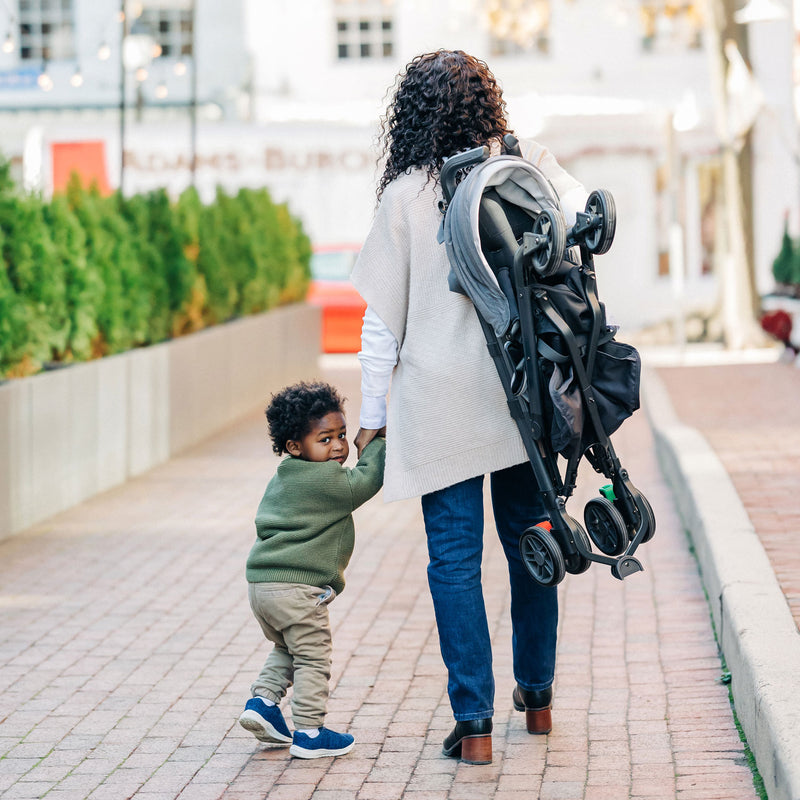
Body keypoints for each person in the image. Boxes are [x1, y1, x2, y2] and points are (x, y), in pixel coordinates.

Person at [351, 50, 588, 765]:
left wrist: (372, 415)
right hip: (521, 397)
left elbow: (379, 328)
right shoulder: (526, 164)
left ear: (412, 115)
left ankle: (475, 723)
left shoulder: (404, 197)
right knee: (533, 541)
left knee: (453, 562)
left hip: (440, 404)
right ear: (489, 104)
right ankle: (538, 696)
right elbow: (584, 218)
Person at [239, 381, 386, 759]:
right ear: (294, 446)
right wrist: (378, 442)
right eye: (325, 439)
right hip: (296, 589)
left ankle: (263, 704)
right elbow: (366, 481)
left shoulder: (286, 476)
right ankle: (309, 731)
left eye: (341, 434)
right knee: (313, 656)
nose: (338, 446)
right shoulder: (325, 480)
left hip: (263, 587)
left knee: (287, 646)